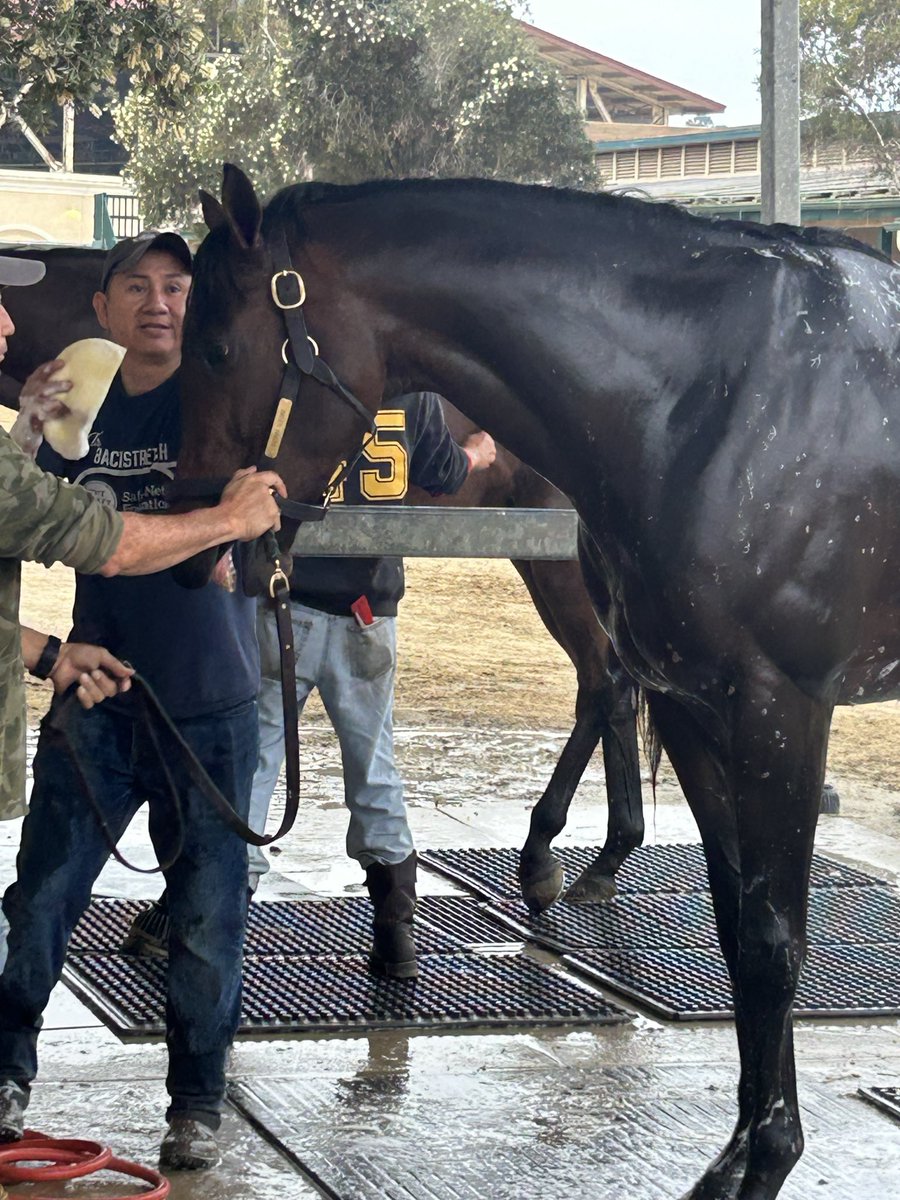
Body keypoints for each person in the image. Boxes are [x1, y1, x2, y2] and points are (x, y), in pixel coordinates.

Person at [0, 233, 283, 1172]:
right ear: (103, 309)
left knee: (208, 916)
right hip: (98, 692)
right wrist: (27, 430)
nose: (158, 303)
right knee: (41, 898)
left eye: (176, 287)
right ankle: (6, 1073)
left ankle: (196, 1102)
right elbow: (19, 512)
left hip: (212, 703)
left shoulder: (230, 405)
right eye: (136, 287)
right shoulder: (73, 401)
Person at [125, 393, 495, 979]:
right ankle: (397, 937)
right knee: (374, 765)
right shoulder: (416, 401)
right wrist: (477, 451)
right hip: (370, 611)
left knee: (259, 760)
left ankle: (222, 923)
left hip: (285, 602)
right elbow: (445, 473)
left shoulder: (302, 388)